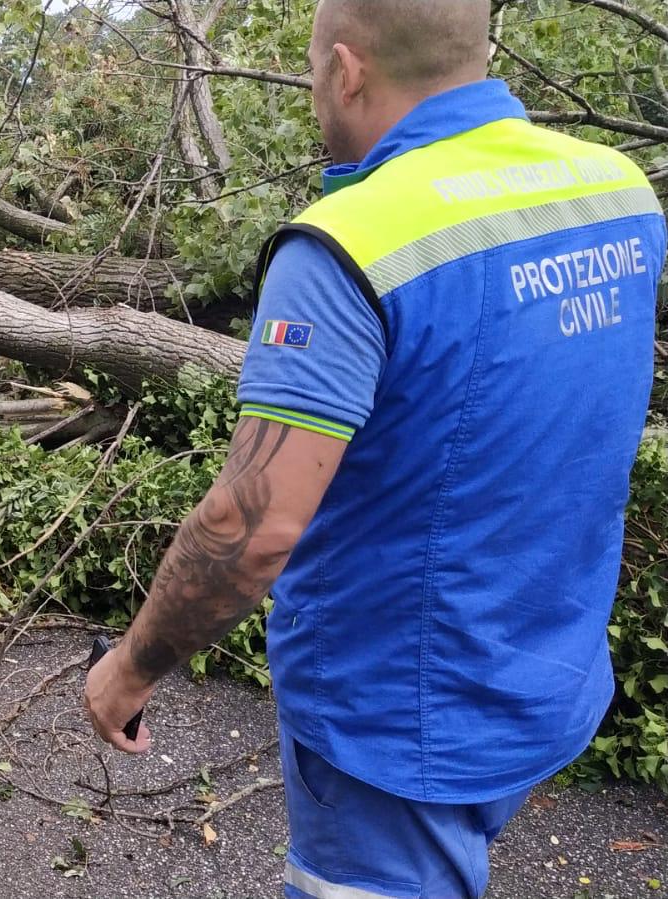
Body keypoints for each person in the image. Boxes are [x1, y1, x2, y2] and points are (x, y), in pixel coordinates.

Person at [83, 1, 665, 896]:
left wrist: (128, 669)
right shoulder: (616, 189)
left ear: (346, 70)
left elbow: (253, 525)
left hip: (397, 721)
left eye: (316, 70)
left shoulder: (349, 243)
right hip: (549, 675)